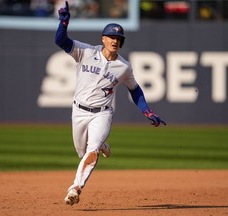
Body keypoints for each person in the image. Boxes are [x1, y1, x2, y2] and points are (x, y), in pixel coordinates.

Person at [55, 1, 166, 206]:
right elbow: (61, 42)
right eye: (112, 37)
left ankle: (75, 188)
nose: (115, 41)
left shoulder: (123, 67)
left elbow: (135, 89)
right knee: (82, 153)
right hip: (79, 111)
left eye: (119, 38)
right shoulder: (86, 52)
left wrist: (147, 111)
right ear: (103, 39)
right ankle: (102, 144)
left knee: (92, 152)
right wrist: (63, 24)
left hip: (102, 113)